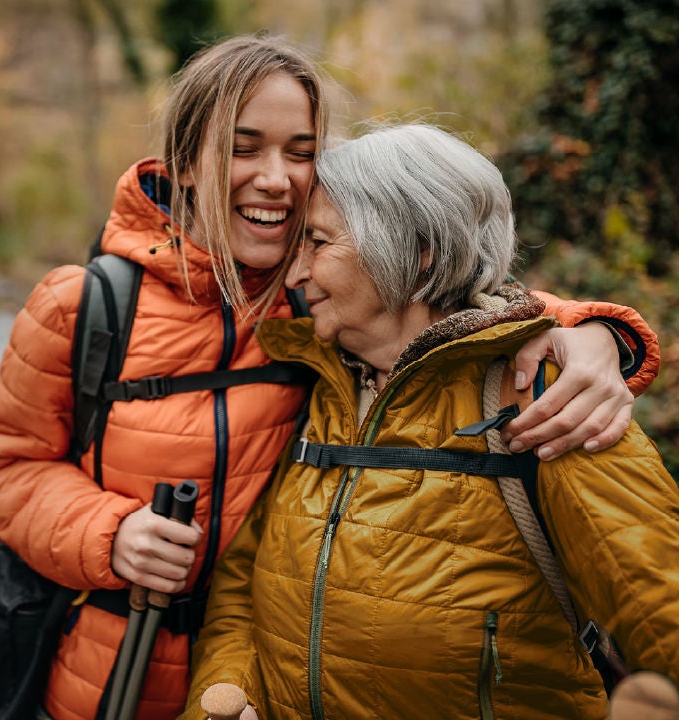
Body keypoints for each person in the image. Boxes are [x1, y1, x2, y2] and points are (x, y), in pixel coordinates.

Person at [0, 34, 660, 720]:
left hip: (268, 670)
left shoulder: (319, 301)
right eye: (244, 147)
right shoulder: (83, 305)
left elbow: (459, 295)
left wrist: (593, 332)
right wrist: (108, 534)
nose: (277, 177)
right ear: (182, 162)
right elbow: (8, 468)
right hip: (107, 672)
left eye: (301, 152)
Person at [182, 123, 679, 720]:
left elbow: (660, 603)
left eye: (318, 243)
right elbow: (241, 587)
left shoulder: (542, 397)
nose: (295, 275)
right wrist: (227, 698)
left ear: (418, 251)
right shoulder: (322, 393)